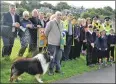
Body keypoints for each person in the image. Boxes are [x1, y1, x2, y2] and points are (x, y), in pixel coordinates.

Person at [45, 11, 64, 75]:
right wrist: (50, 38)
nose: (59, 16)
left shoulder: (62, 23)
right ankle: (50, 70)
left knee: (58, 57)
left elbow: (62, 31)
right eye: (58, 15)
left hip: (60, 43)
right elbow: (46, 32)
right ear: (55, 15)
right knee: (51, 57)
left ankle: (58, 69)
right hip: (52, 43)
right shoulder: (51, 22)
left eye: (60, 15)